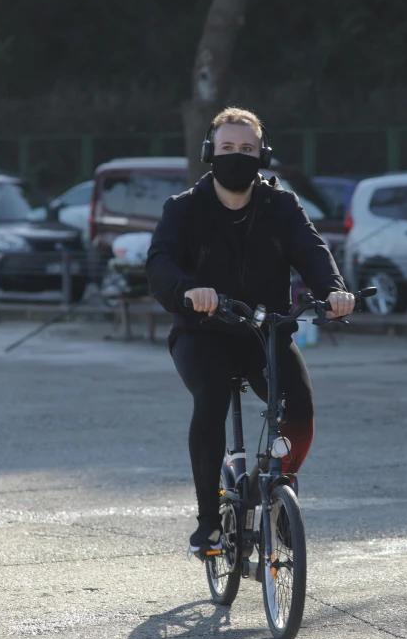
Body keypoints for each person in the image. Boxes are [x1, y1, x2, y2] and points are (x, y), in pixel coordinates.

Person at [146, 107, 355, 553]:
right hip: (202, 332)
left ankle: (279, 489)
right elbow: (159, 264)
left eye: (246, 148)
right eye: (226, 148)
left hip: (267, 331)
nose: (236, 156)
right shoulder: (183, 209)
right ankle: (209, 523)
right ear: (209, 152)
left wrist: (334, 292)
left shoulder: (282, 205)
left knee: (299, 407)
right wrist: (188, 290)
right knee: (212, 396)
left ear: (263, 155)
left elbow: (313, 251)